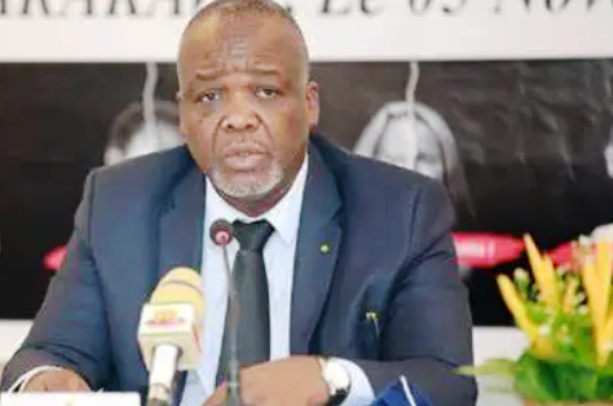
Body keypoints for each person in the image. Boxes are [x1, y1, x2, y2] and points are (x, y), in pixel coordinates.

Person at [0, 1, 477, 406]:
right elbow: (47, 354)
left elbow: (448, 382)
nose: (238, 118)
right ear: (183, 114)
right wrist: (49, 383)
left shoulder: (401, 211)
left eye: (265, 91)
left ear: (309, 103)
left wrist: (331, 378)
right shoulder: (119, 204)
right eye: (209, 96)